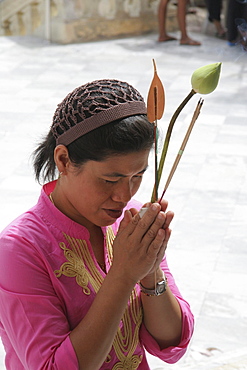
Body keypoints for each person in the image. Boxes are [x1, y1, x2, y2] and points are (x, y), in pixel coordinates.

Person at [0, 79, 194, 369]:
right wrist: (124, 275)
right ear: (64, 160)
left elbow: (170, 343)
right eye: (110, 179)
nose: (125, 195)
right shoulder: (19, 249)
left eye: (137, 176)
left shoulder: (131, 219)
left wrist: (150, 271)